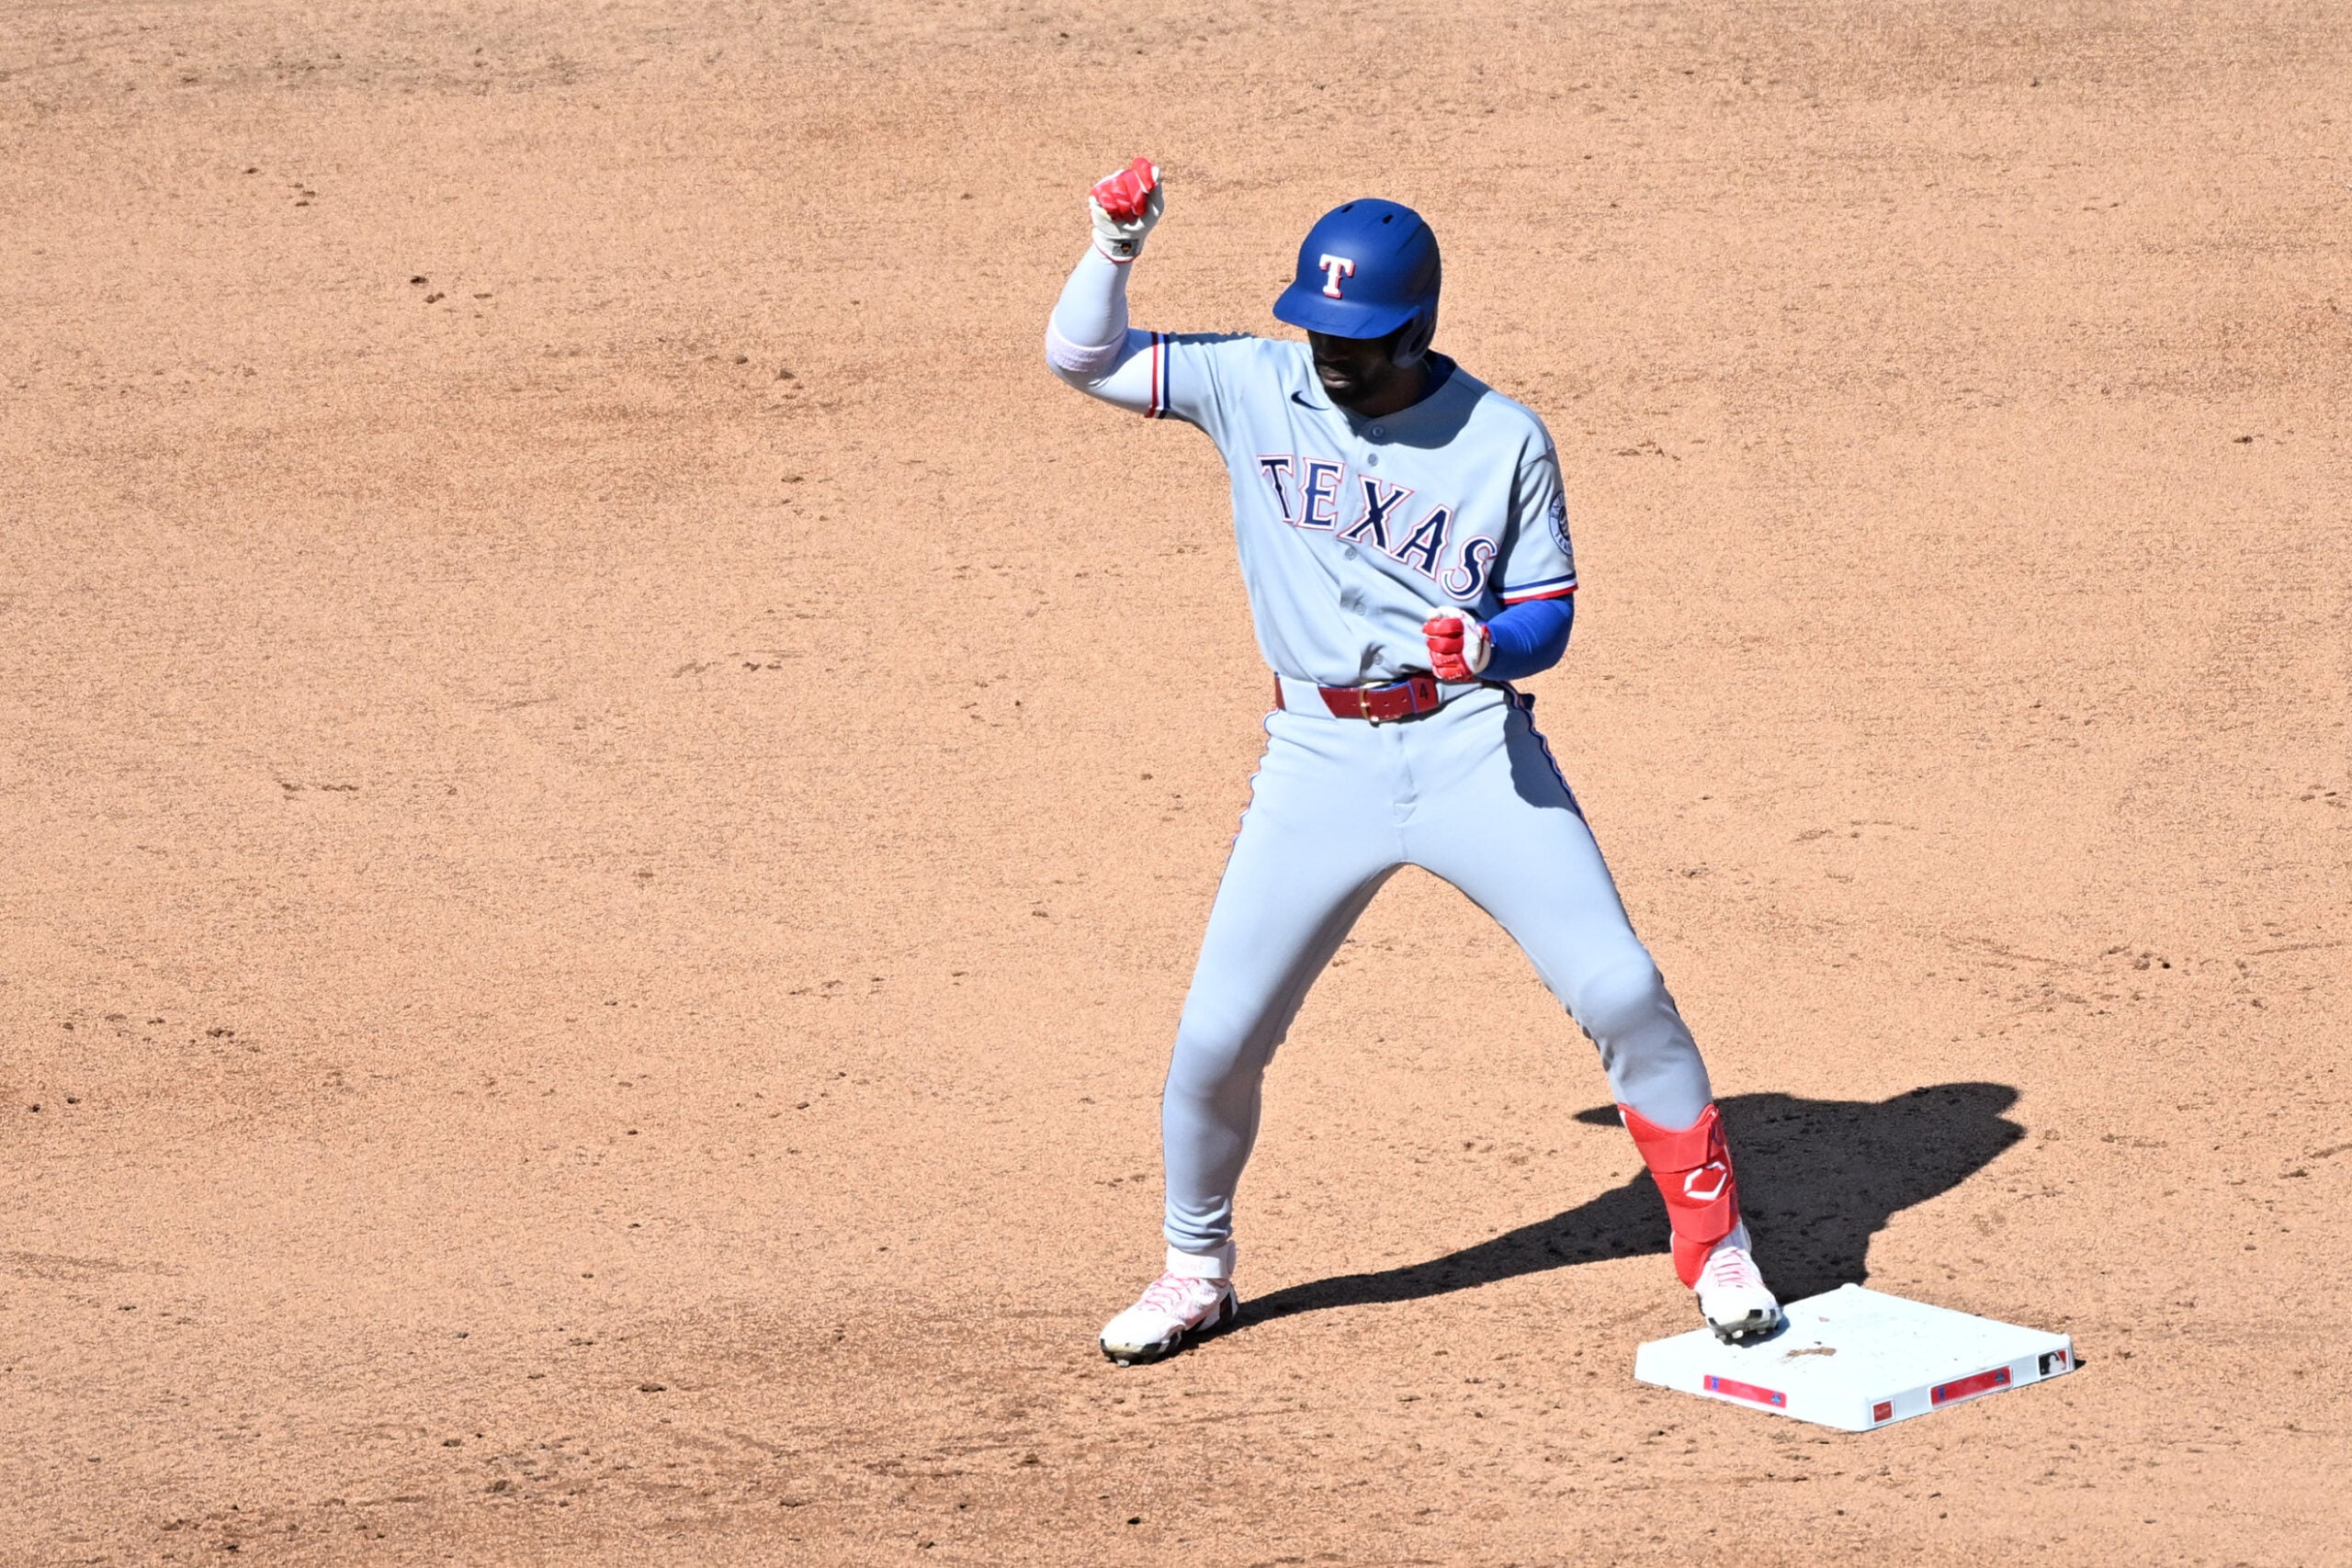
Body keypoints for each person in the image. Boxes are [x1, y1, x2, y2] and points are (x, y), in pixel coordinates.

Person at [1045, 159, 1782, 1365]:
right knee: (1217, 1037)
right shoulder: (1254, 380)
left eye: (1361, 339)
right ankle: (1194, 1269)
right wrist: (1114, 249)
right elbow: (1082, 359)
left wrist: (1492, 642)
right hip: (1315, 759)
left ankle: (1719, 1250)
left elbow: (1550, 613)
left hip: (1465, 747)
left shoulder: (1505, 439)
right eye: (1320, 328)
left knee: (1621, 990)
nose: (1333, 356)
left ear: (1418, 328)